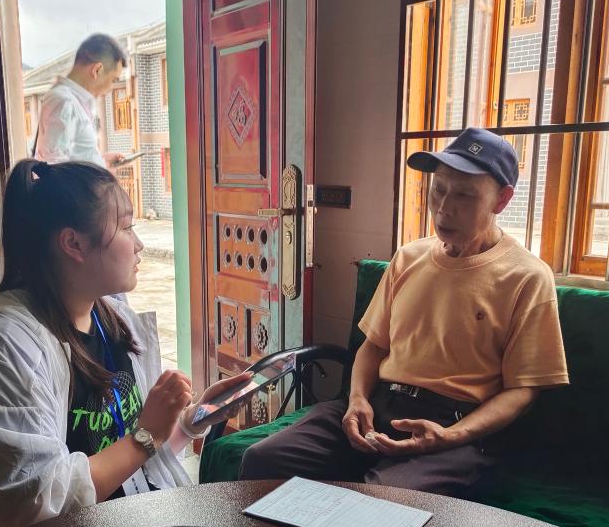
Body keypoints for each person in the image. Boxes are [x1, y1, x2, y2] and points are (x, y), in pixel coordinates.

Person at [0, 160, 245, 527]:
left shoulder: (110, 318)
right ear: (73, 243)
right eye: (126, 226)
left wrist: (186, 421)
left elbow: (124, 451)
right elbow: (34, 509)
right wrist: (146, 436)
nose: (139, 244)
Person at [240, 128, 569, 496]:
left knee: (379, 503)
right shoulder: (408, 258)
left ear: (502, 200)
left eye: (464, 195)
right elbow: (373, 346)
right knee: (262, 461)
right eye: (438, 189)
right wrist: (357, 399)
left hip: (454, 425)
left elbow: (522, 391)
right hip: (380, 402)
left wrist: (450, 436)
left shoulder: (527, 277)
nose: (444, 207)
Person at [33, 33, 127, 169]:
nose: (110, 88)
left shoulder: (74, 101)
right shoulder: (64, 102)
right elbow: (53, 168)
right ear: (97, 70)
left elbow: (71, 158)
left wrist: (101, 161)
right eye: (113, 80)